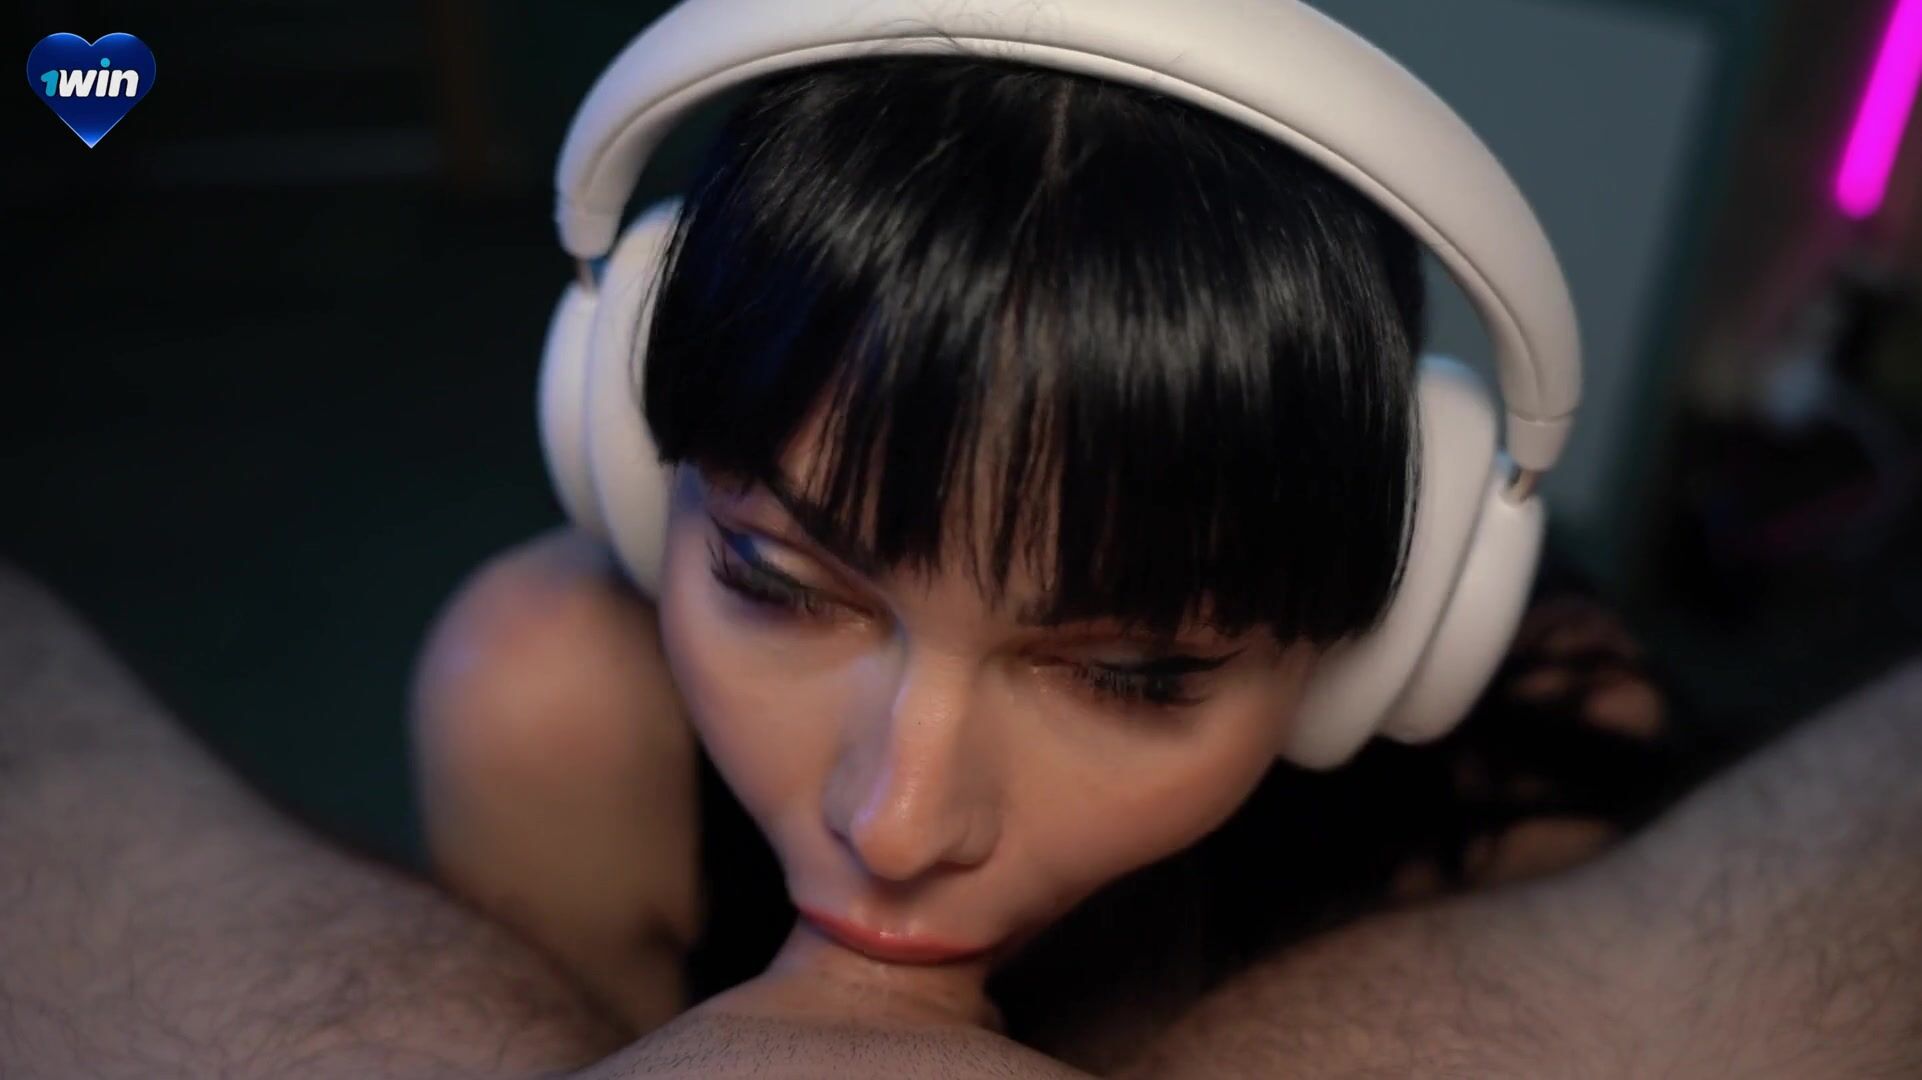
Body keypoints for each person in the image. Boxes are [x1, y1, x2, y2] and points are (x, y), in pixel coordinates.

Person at [5, 553, 1921, 1078]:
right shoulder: (557, 690)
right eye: (781, 584)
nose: (896, 817)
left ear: (1369, 656)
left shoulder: (1522, 740)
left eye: (1134, 670)